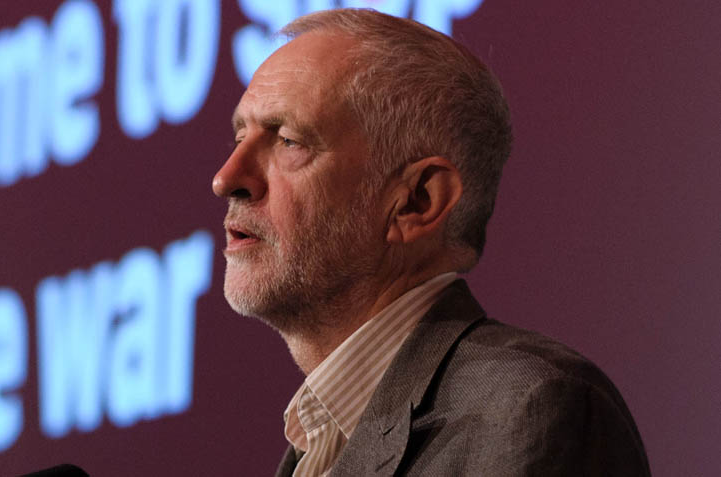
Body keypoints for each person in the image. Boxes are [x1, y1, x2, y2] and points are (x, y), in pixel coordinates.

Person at [212, 8, 650, 477]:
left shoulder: (527, 411)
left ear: (417, 201)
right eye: (241, 135)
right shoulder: (318, 442)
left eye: (290, 141)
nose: (226, 178)